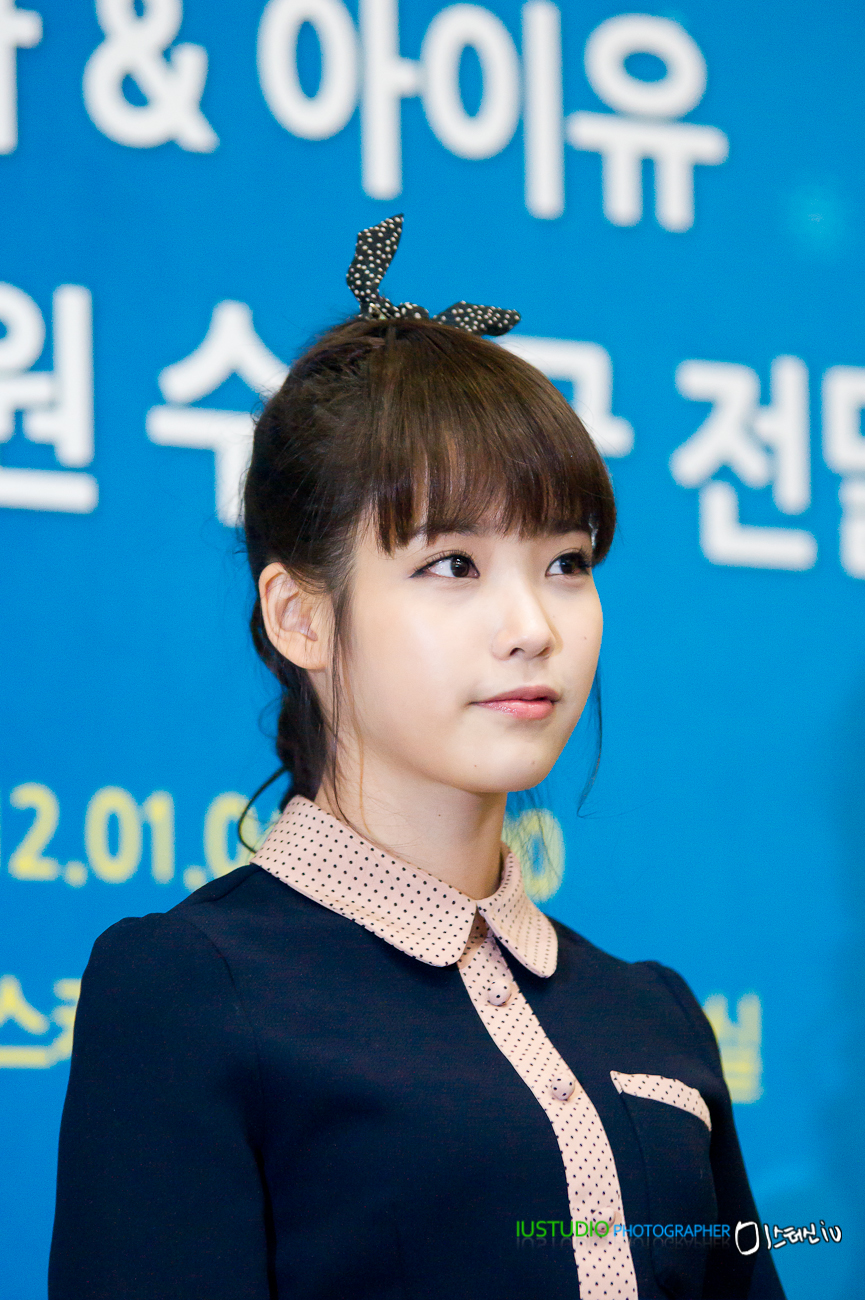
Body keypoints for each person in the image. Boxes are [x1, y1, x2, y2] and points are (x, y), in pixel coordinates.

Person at [49, 215, 785, 1300]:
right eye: (452, 564)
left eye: (566, 561)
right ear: (300, 617)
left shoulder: (652, 1013)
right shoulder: (192, 990)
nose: (532, 626)